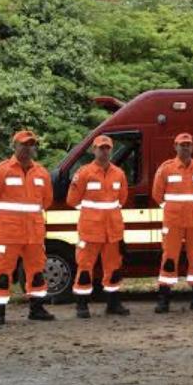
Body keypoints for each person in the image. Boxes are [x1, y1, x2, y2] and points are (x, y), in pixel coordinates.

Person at [0, 130, 55, 325]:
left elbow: (46, 201)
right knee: (2, 272)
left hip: (34, 233)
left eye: (30, 145)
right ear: (14, 146)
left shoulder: (42, 173)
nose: (27, 148)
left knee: (37, 271)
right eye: (23, 144)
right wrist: (9, 218)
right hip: (8, 233)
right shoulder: (0, 170)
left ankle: (37, 310)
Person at [66, 135, 130, 318]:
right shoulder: (84, 172)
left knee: (113, 268)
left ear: (111, 149)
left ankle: (113, 304)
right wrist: (91, 214)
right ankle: (81, 305)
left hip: (113, 231)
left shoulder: (119, 173)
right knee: (85, 267)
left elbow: (122, 199)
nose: (104, 151)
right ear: (94, 150)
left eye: (107, 148)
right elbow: (72, 200)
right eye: (101, 148)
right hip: (90, 230)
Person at [152, 132, 193, 313]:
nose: (185, 147)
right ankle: (164, 300)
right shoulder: (166, 168)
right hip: (173, 222)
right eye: (182, 144)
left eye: (188, 145)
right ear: (175, 147)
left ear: (192, 147)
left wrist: (192, 207)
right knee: (169, 259)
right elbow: (157, 194)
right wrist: (173, 209)